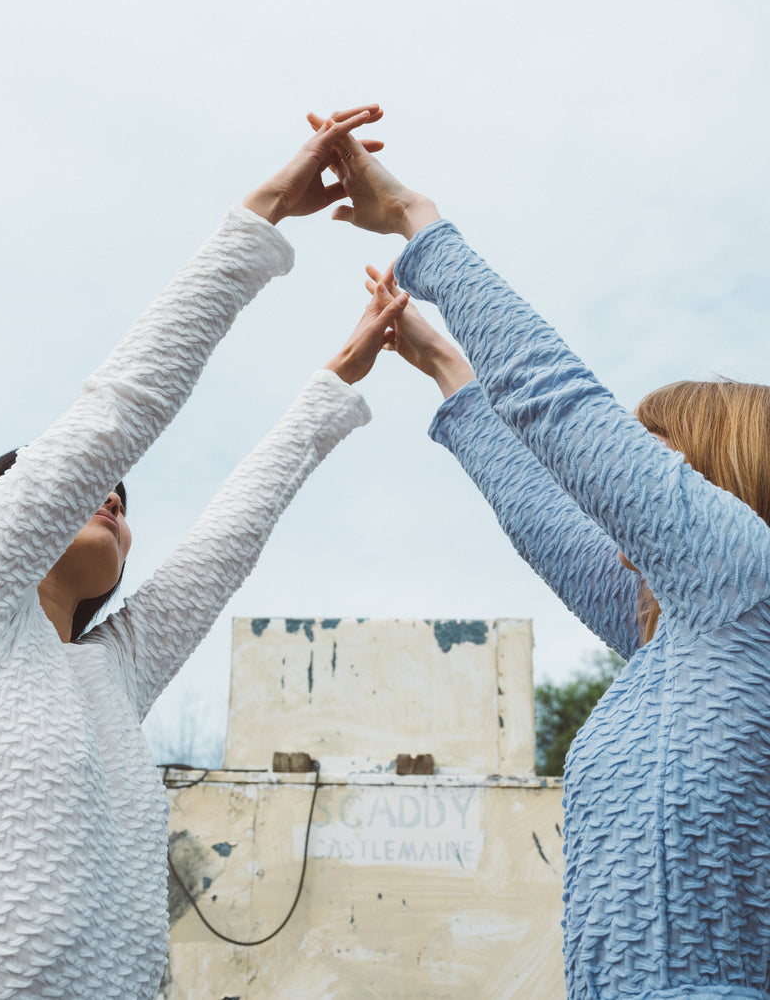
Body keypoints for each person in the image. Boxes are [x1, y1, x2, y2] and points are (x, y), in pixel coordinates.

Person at [0, 106, 409, 1000]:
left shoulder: (110, 675)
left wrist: (332, 388)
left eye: (125, 507)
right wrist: (261, 216)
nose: (115, 498)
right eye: (94, 486)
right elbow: (116, 411)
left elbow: (225, 540)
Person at [324, 123, 770, 1000]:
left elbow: (562, 408)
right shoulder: (672, 639)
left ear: (721, 471)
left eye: (655, 451)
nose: (629, 475)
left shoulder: (744, 579)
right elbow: (546, 516)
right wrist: (449, 369)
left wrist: (421, 224)